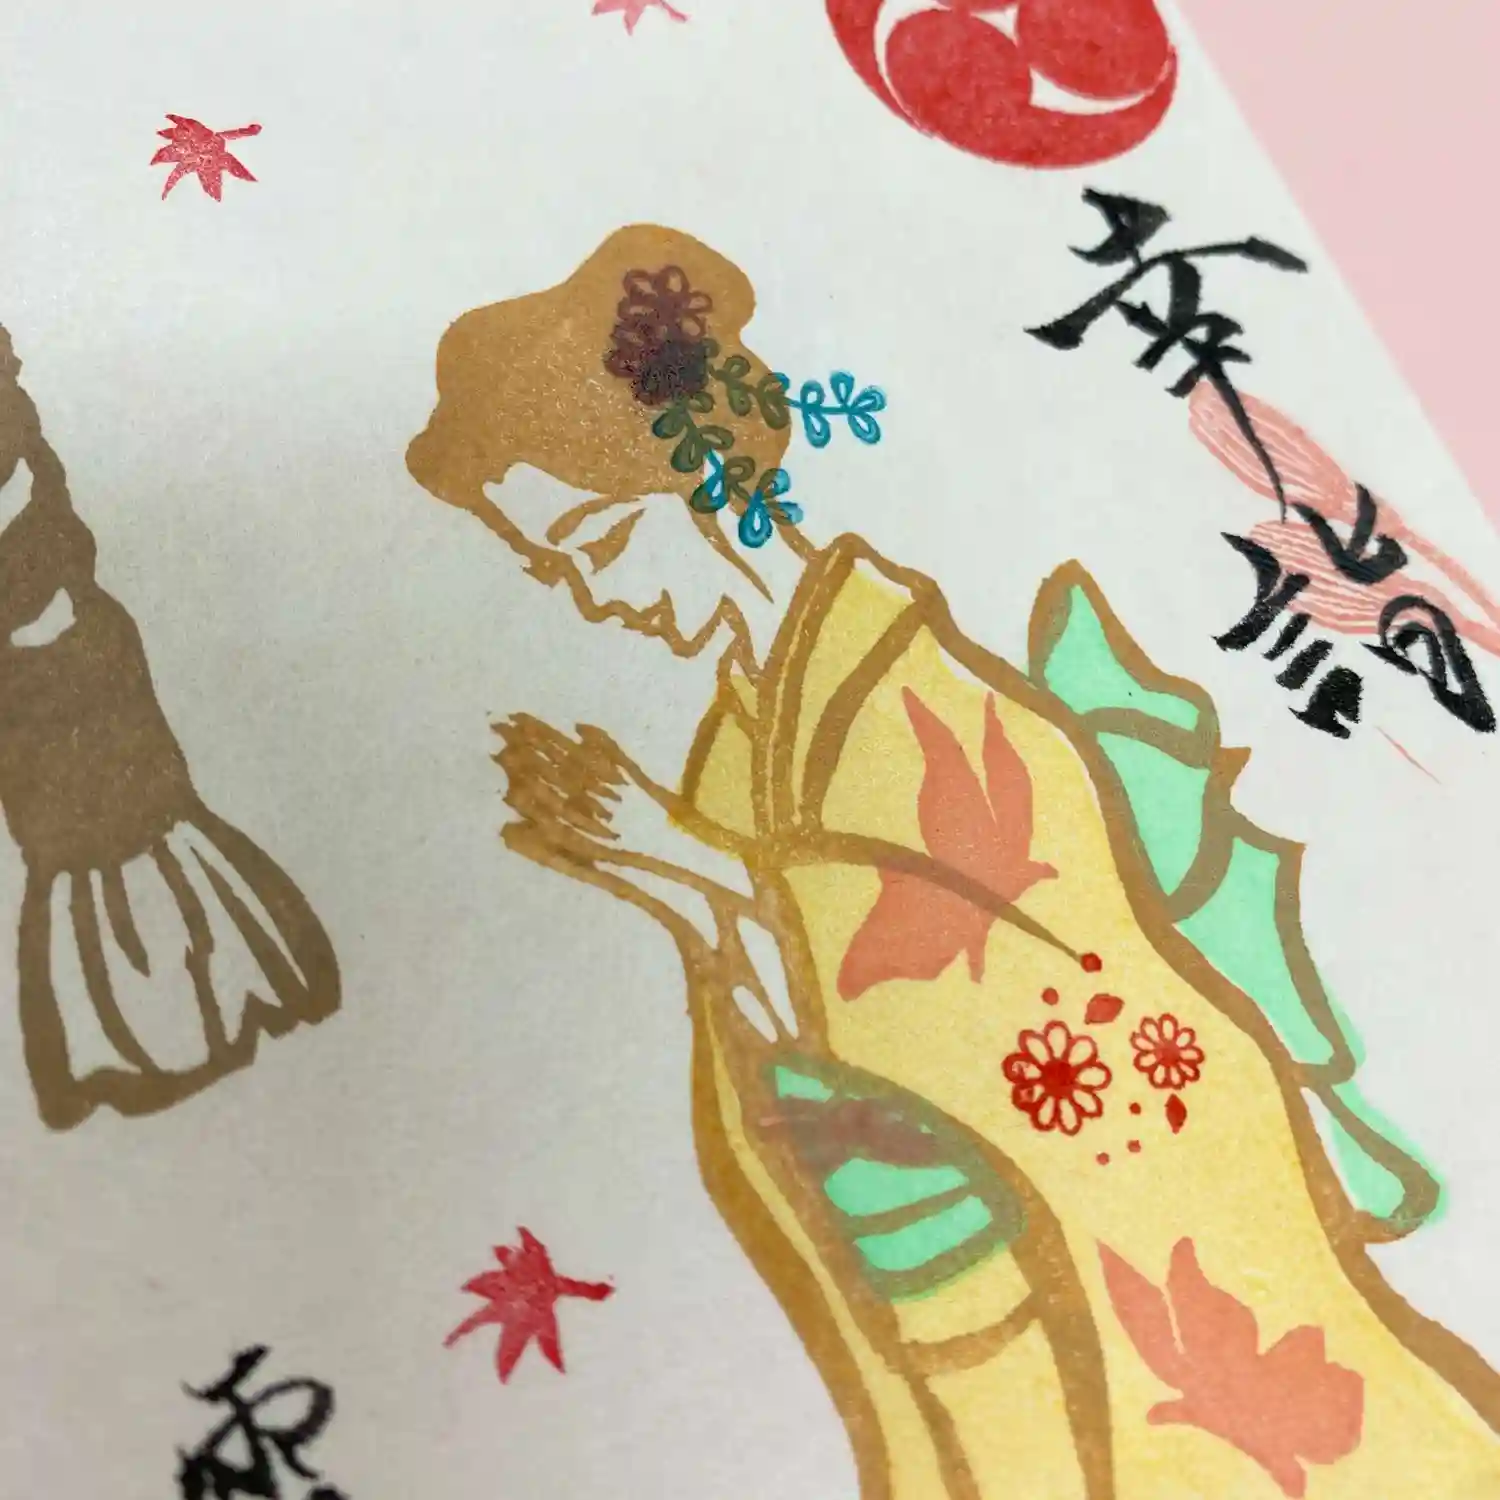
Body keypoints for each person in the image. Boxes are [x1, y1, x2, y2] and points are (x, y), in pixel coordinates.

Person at [407, 225, 1500, 1498]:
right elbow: (797, 1042)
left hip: (1129, 1258)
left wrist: (687, 865)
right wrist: (675, 873)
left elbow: (1045, 1033)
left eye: (592, 544)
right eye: (549, 563)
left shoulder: (925, 706)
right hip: (967, 1312)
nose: (584, 594)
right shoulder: (735, 755)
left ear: (699, 484)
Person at [0, 326, 340, 1129]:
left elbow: (57, 550)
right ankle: (139, 1041)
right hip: (38, 694)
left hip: (82, 670)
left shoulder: (27, 463)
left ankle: (217, 1005)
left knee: (148, 832)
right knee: (84, 861)